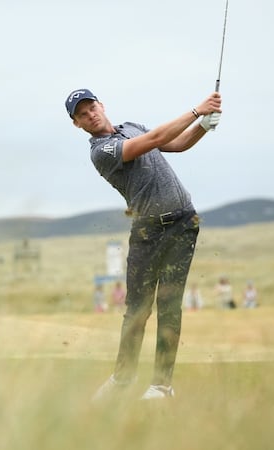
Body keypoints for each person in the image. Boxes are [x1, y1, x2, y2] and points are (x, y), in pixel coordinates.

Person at [66, 88, 222, 402]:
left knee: (170, 306)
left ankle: (161, 386)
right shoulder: (103, 150)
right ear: (77, 125)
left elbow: (175, 144)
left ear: (101, 105)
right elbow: (149, 143)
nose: (90, 115)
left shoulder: (131, 126)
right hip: (147, 232)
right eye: (82, 115)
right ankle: (124, 378)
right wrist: (196, 110)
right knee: (137, 310)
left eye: (91, 107)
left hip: (183, 224)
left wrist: (204, 126)